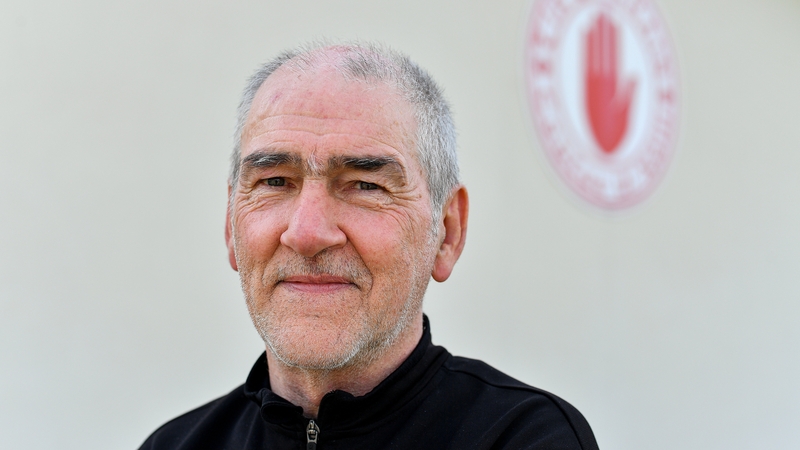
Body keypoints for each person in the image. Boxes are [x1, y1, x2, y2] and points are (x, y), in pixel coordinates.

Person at [139, 41, 598, 450]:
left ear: (447, 231)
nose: (307, 233)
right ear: (231, 226)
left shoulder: (524, 438)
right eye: (275, 181)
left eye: (364, 185)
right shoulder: (176, 444)